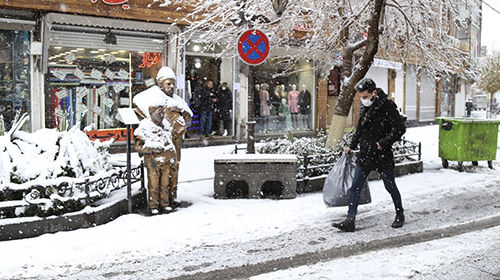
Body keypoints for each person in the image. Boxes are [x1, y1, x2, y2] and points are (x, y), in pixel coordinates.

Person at [332, 78, 406, 232]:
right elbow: (360, 127)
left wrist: (383, 143)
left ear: (374, 93)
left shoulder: (388, 106)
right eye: (361, 97)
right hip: (365, 153)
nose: (363, 100)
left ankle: (400, 214)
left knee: (390, 186)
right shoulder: (365, 105)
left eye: (365, 97)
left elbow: (400, 128)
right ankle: (350, 220)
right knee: (355, 187)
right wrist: (351, 146)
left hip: (382, 154)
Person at [134, 105, 177, 215]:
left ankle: (165, 203)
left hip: (166, 160)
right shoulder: (144, 128)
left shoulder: (165, 127)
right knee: (153, 185)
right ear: (152, 113)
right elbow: (139, 147)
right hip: (153, 161)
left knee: (165, 184)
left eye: (163, 113)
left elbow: (171, 144)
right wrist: (154, 147)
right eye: (159, 113)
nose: (162, 115)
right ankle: (153, 205)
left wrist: (171, 154)